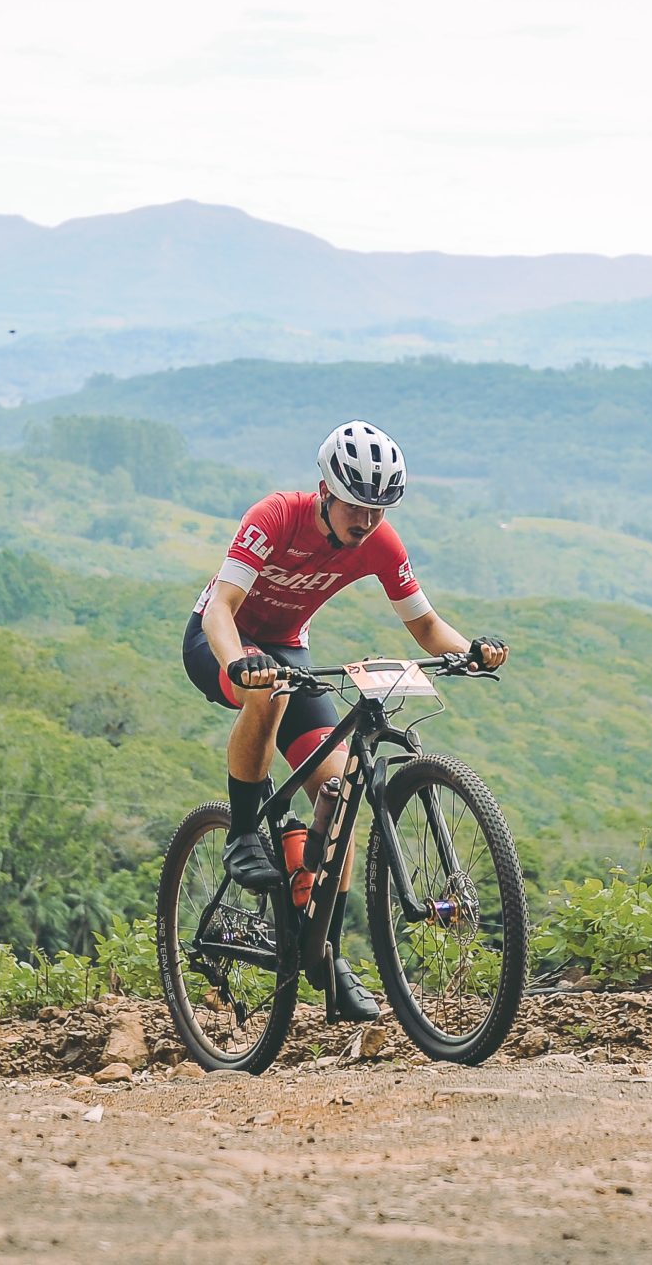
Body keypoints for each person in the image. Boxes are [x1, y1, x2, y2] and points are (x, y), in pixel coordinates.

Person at [183, 420, 507, 1023]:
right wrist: (243, 666)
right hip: (222, 643)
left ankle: (321, 950)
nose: (366, 522)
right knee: (271, 696)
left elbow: (426, 626)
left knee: (340, 792)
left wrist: (470, 652)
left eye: (379, 510)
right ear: (327, 492)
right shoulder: (276, 517)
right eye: (357, 507)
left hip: (286, 645)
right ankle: (242, 834)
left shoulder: (380, 543)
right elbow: (220, 612)